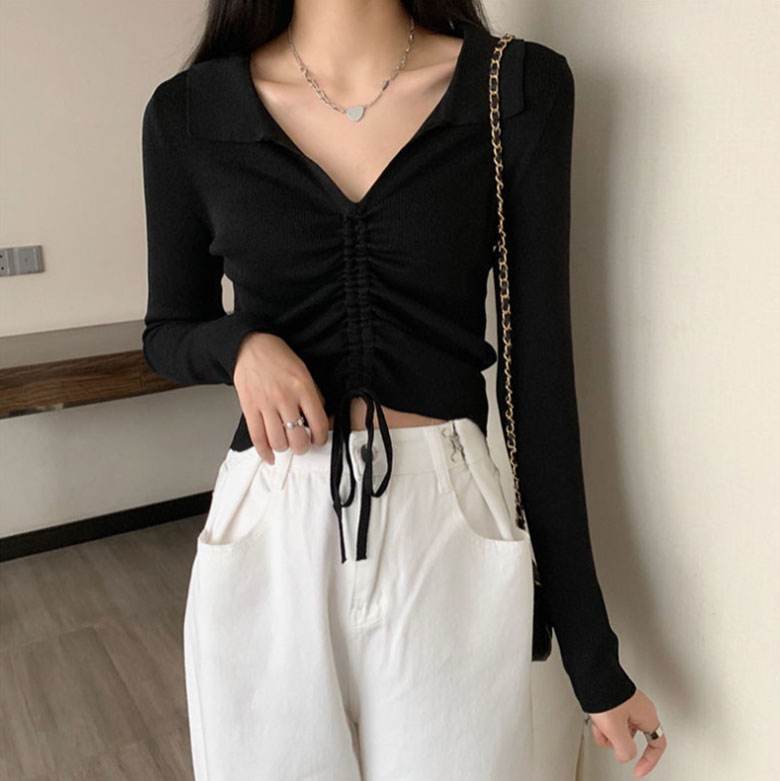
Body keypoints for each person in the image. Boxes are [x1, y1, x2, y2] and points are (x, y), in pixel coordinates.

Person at [140, 1, 666, 778]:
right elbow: (168, 330)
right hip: (270, 519)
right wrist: (240, 346)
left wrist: (593, 658)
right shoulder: (189, 112)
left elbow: (540, 383)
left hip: (445, 520)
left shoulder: (514, 88)